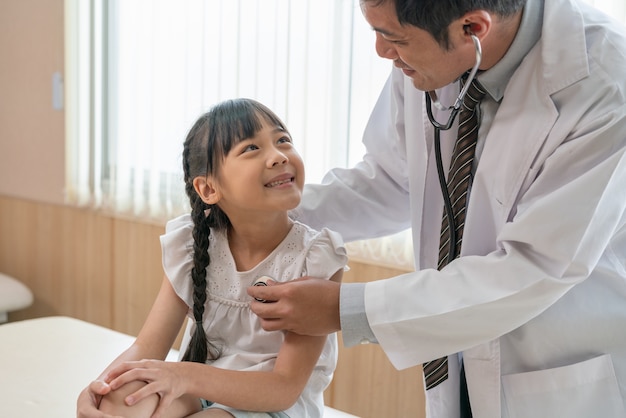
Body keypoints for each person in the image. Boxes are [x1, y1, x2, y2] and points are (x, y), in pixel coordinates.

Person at [247, 0, 626, 417]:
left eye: (394, 38)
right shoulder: (427, 61)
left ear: (472, 28)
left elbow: (536, 265)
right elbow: (392, 178)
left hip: (556, 367)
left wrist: (345, 308)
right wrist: (257, 217)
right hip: (457, 354)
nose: (381, 51)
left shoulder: (605, 84)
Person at [76, 98, 348, 418]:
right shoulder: (193, 245)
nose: (277, 156)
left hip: (274, 404)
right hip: (197, 388)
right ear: (208, 189)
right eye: (251, 148)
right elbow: (147, 347)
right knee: (119, 402)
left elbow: (284, 387)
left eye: (283, 140)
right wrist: (98, 389)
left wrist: (184, 376)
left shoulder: (316, 257)